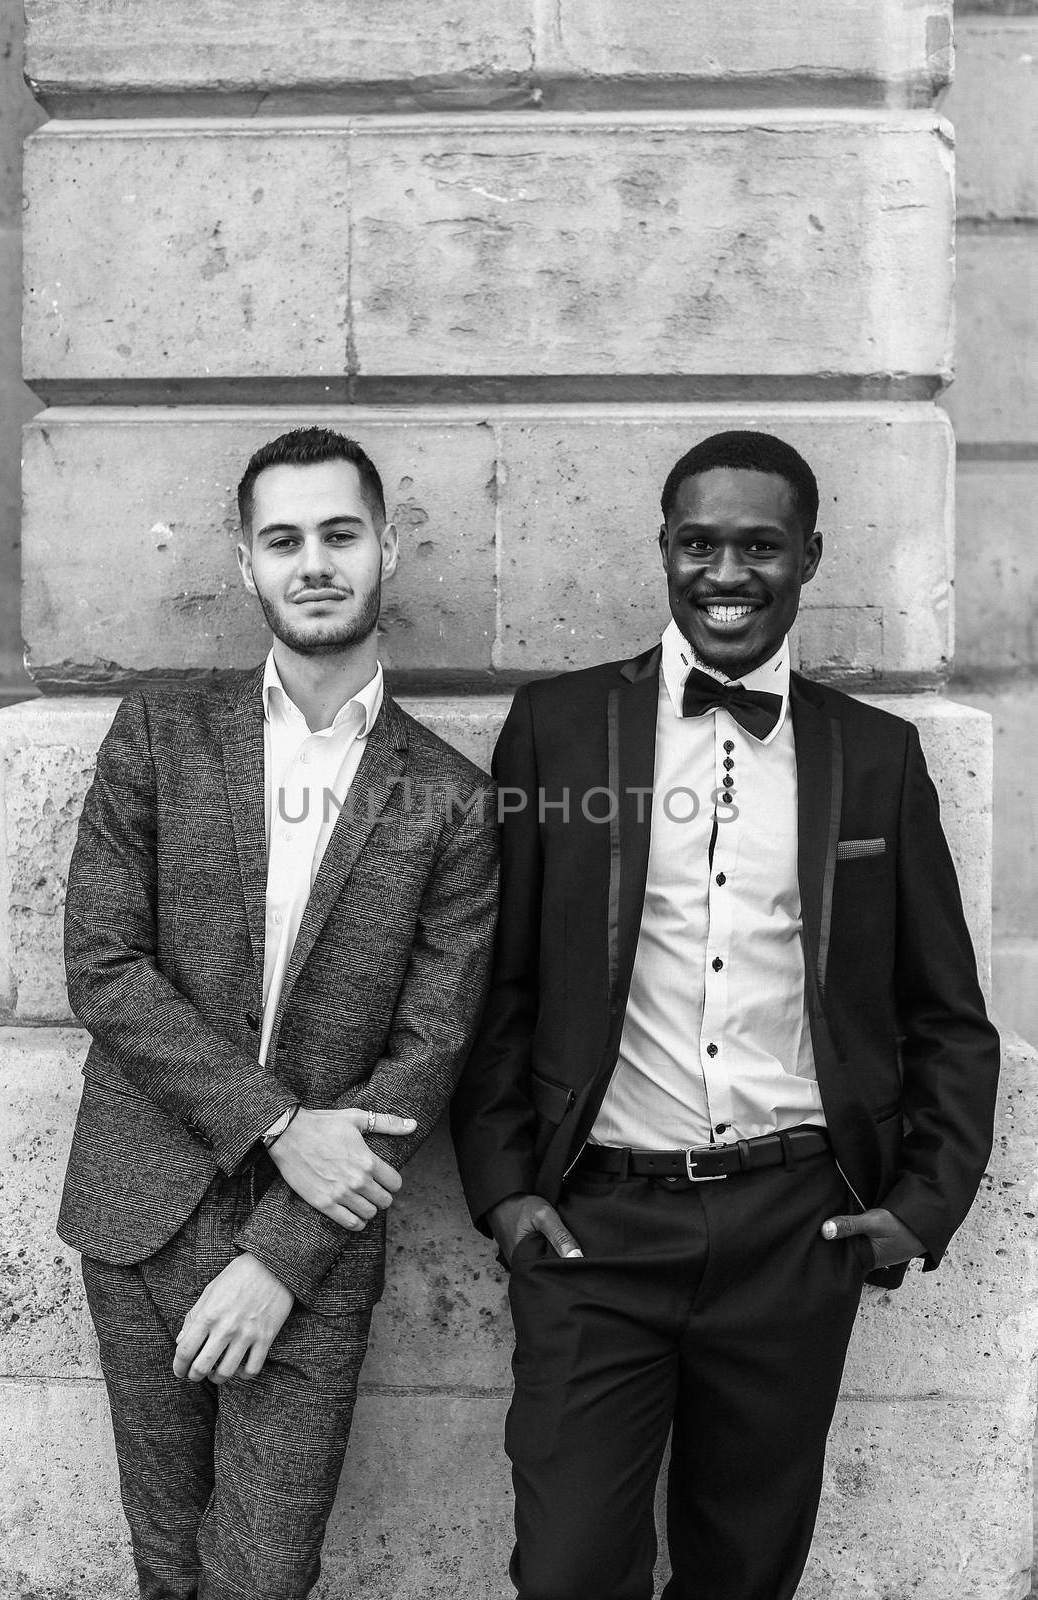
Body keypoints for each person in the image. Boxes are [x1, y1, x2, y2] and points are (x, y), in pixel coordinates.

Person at [451, 429, 1000, 1600]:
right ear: (662, 550)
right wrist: (502, 1190)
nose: (726, 572)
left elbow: (945, 1011)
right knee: (566, 1573)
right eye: (698, 543)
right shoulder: (555, 729)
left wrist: (922, 1204)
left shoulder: (874, 755)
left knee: (744, 1573)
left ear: (807, 555)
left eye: (758, 545)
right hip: (595, 1226)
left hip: (794, 1231)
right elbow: (497, 983)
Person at [58, 425, 498, 1600]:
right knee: (166, 1569)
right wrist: (273, 1123)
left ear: (386, 549)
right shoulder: (159, 731)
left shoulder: (450, 797)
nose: (314, 562)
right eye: (284, 538)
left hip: (316, 1245)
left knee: (260, 1578)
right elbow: (102, 966)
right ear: (245, 560)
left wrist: (280, 1260)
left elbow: (428, 1048)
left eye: (339, 534)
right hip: (138, 1210)